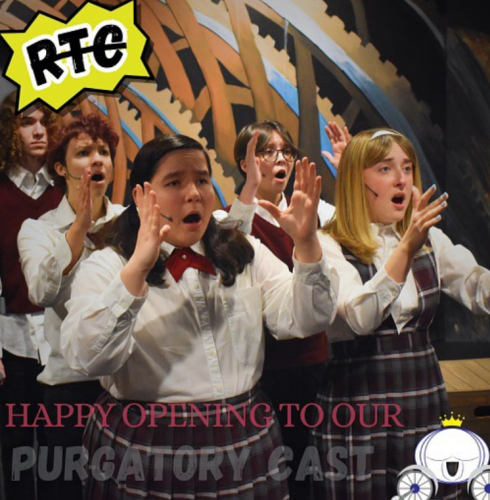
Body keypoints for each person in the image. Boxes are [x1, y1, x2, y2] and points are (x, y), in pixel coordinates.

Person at [59, 133, 338, 499]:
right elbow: (87, 358)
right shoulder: (108, 265)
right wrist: (137, 269)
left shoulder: (243, 251)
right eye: (175, 182)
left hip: (245, 432)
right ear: (142, 196)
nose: (193, 193)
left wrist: (307, 243)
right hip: (148, 440)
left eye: (202, 180)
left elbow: (308, 318)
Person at [313, 128, 490, 500]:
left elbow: (475, 284)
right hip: (359, 399)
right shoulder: (330, 243)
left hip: (420, 389)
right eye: (385, 168)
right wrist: (406, 248)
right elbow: (361, 317)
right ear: (356, 180)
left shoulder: (428, 239)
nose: (401, 179)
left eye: (407, 168)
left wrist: (411, 241)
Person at [17, 114, 125, 500]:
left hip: (127, 384)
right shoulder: (38, 229)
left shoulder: (131, 222)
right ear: (61, 168)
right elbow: (42, 292)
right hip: (68, 386)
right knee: (66, 489)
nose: (96, 160)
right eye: (83, 153)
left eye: (103, 152)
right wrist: (79, 226)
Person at [229, 120, 337, 498]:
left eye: (286, 151)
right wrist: (249, 194)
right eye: (267, 151)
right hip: (268, 370)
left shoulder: (312, 212)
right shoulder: (232, 219)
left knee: (316, 468)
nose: (280, 159)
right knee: (280, 468)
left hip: (316, 360)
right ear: (245, 162)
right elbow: (228, 252)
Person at [0, 91, 62, 500]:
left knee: (62, 450)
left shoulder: (66, 190)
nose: (38, 131)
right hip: (12, 339)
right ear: (11, 129)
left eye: (43, 121)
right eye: (26, 122)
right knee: (17, 447)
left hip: (62, 339)